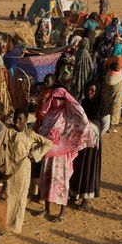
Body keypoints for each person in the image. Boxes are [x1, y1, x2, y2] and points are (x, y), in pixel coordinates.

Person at [37, 87, 95, 222]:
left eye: (60, 99)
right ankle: (47, 209)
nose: (57, 101)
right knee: (46, 180)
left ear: (65, 100)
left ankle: (62, 212)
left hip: (61, 156)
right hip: (48, 154)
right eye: (55, 99)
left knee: (61, 183)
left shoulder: (69, 114)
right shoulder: (49, 114)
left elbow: (82, 124)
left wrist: (67, 144)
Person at [5, 109, 52, 233]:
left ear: (25, 121)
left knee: (20, 198)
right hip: (9, 168)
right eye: (15, 118)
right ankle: (4, 222)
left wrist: (34, 154)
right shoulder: (8, 131)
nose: (16, 121)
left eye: (20, 119)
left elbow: (48, 143)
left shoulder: (30, 134)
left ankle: (15, 226)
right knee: (7, 195)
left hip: (23, 170)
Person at [69, 82, 103, 211]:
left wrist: (91, 129)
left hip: (92, 144)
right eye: (88, 90)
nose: (90, 92)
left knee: (88, 169)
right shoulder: (82, 103)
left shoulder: (101, 105)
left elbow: (103, 125)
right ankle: (74, 193)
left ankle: (86, 200)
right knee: (77, 166)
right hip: (80, 141)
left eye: (93, 90)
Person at [101, 44, 122, 132]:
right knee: (116, 102)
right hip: (117, 81)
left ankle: (104, 121)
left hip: (107, 80)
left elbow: (105, 70)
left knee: (107, 101)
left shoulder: (109, 59)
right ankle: (112, 123)